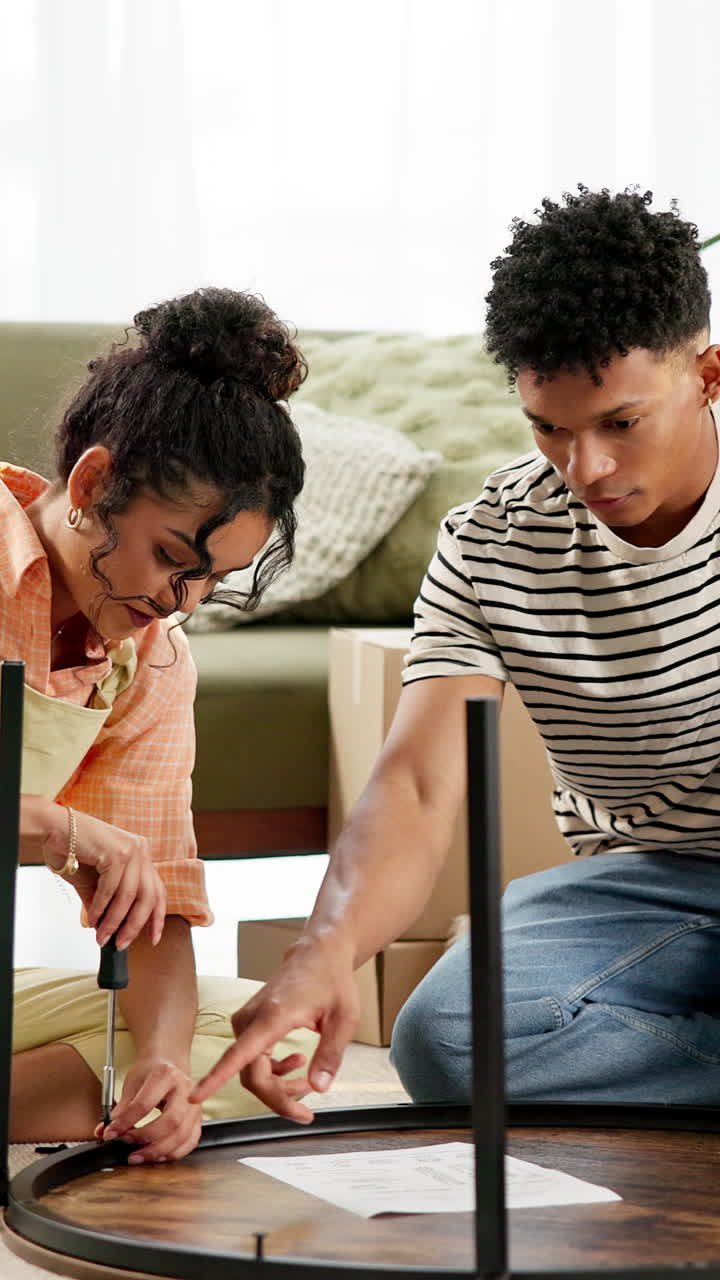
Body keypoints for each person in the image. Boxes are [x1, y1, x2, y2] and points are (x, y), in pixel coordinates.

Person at [190, 187, 720, 1118]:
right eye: (549, 428)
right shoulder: (491, 541)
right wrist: (324, 951)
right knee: (449, 1041)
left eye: (620, 424)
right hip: (643, 884)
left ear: (709, 375)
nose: (583, 468)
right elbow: (417, 786)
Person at [8, 286, 318, 1161]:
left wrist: (160, 1062)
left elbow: (158, 910)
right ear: (92, 483)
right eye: (172, 558)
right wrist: (57, 826)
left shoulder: (151, 663)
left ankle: (125, 1099)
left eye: (211, 579)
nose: (174, 603)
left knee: (253, 1044)